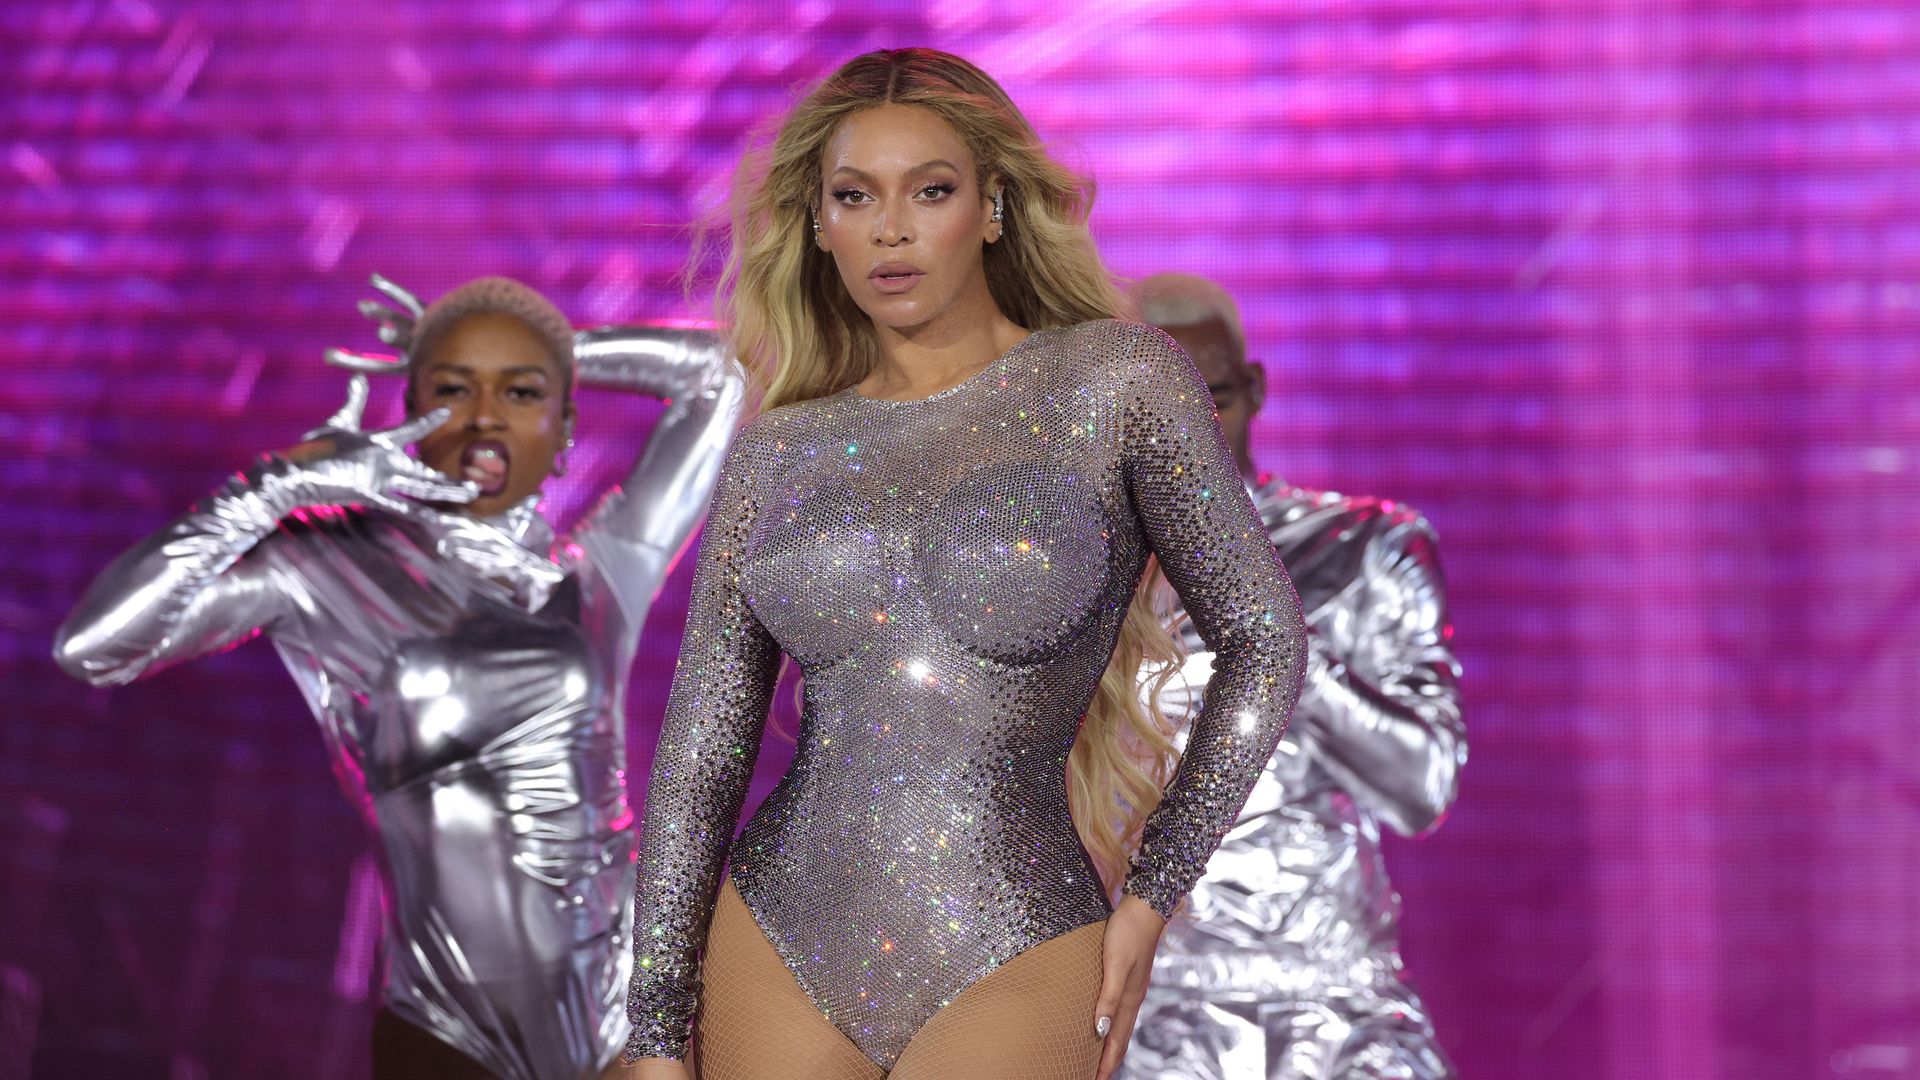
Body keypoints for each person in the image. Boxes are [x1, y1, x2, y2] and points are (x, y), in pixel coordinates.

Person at [621, 49, 1307, 1080]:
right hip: (777, 934)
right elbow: (700, 749)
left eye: (929, 191)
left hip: (1018, 938)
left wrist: (1156, 893)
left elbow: (1265, 638)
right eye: (854, 197)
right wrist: (658, 1033)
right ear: (818, 225)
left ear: (990, 207)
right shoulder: (782, 446)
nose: (890, 228)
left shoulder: (1114, 384)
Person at [53, 275, 743, 1080]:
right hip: (451, 1036)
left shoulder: (597, 577)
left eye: (521, 393)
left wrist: (540, 349)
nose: (485, 415)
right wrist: (272, 486)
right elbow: (92, 647)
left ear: (563, 433)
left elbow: (716, 375)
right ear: (411, 415)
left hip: (630, 1028)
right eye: (453, 388)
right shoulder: (331, 563)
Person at [1119, 273, 1465, 1080]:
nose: (1194, 434)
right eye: (1164, 412)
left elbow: (1424, 789)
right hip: (1155, 1003)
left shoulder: (1366, 549)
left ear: (1257, 389)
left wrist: (1272, 638)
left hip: (1334, 1001)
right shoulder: (1087, 575)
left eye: (1215, 401)